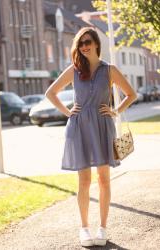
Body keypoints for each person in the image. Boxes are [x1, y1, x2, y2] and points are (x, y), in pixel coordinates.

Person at [45, 27, 137, 247]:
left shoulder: (110, 70)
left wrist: (115, 110)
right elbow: (51, 93)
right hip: (79, 129)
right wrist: (68, 112)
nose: (84, 46)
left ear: (96, 43)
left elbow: (131, 94)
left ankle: (103, 227)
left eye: (87, 42)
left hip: (102, 127)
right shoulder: (74, 70)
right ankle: (84, 228)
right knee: (84, 181)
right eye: (80, 44)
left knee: (104, 180)